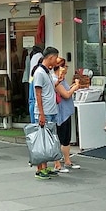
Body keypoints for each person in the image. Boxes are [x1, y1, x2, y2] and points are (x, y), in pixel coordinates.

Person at [32, 47, 61, 180]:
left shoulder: (47, 71)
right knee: (42, 141)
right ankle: (40, 169)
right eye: (56, 57)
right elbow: (38, 93)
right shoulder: (39, 72)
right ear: (50, 57)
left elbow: (52, 86)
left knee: (49, 141)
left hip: (51, 110)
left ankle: (45, 167)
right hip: (44, 112)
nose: (57, 60)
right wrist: (41, 114)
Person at [53, 57, 82, 173]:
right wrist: (76, 86)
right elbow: (65, 94)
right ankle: (57, 164)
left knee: (66, 138)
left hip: (65, 111)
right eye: (64, 66)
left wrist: (72, 86)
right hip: (60, 112)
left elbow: (66, 90)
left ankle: (67, 161)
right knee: (60, 138)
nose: (65, 69)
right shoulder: (55, 79)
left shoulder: (61, 79)